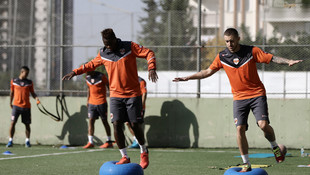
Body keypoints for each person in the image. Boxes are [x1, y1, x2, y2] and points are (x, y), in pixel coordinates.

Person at [173, 28, 302, 172]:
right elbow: (207, 72)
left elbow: (271, 58)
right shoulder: (222, 56)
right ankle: (246, 163)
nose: (229, 44)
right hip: (239, 98)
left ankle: (274, 146)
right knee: (240, 129)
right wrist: (188, 77)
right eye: (227, 41)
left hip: (256, 94)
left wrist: (288, 61)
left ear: (238, 39)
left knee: (263, 125)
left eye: (232, 41)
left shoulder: (251, 51)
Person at [62, 28, 158, 169]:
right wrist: (75, 72)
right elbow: (90, 65)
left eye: (109, 43)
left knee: (135, 125)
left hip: (132, 94)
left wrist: (151, 67)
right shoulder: (103, 53)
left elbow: (149, 53)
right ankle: (124, 156)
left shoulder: (129, 47)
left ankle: (143, 151)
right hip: (115, 95)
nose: (108, 47)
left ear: (114, 39)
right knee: (116, 124)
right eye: (105, 44)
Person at [7, 66, 40, 148]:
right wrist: (10, 102)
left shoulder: (29, 82)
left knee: (27, 124)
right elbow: (12, 93)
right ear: (22, 72)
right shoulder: (14, 81)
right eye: (26, 73)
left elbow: (32, 93)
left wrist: (36, 98)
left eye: (28, 73)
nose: (27, 75)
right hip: (16, 106)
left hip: (26, 107)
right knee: (12, 123)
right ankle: (10, 140)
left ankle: (27, 141)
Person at [83, 70, 114, 149]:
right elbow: (88, 89)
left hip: (101, 102)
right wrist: (87, 101)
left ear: (91, 69)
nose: (85, 72)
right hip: (91, 103)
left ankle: (109, 141)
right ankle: (90, 142)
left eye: (87, 70)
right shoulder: (87, 77)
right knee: (91, 120)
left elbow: (108, 86)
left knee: (104, 121)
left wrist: (112, 97)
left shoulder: (101, 76)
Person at [126, 76, 147, 148]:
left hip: (138, 107)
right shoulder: (128, 79)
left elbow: (144, 94)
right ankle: (136, 140)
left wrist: (141, 106)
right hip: (129, 106)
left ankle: (141, 143)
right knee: (128, 123)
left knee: (136, 124)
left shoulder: (141, 81)